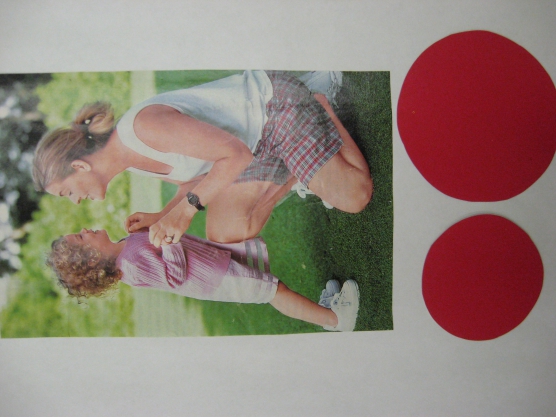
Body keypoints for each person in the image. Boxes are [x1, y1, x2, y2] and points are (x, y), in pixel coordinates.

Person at [33, 71, 373, 246]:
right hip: (256, 146)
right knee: (225, 231)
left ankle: (322, 101)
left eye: (68, 192)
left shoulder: (142, 128)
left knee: (354, 197)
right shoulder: (130, 160)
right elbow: (197, 179)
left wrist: (184, 214)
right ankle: (301, 167)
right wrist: (163, 215)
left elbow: (233, 155)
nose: (75, 201)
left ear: (79, 166)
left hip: (273, 111)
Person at [46, 228, 361, 332]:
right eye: (81, 237)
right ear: (91, 259)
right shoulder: (131, 263)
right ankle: (334, 319)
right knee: (272, 290)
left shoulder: (125, 247)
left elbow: (156, 241)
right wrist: (168, 240)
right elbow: (174, 276)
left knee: (270, 287)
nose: (85, 230)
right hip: (215, 277)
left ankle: (325, 313)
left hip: (213, 265)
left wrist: (150, 225)